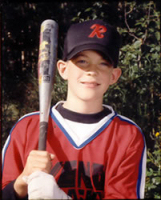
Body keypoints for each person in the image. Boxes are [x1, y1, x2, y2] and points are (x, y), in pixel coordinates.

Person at [2, 19, 146, 200]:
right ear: (63, 69)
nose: (92, 71)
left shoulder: (127, 135)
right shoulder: (26, 127)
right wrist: (21, 183)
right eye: (82, 61)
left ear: (114, 75)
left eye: (103, 63)